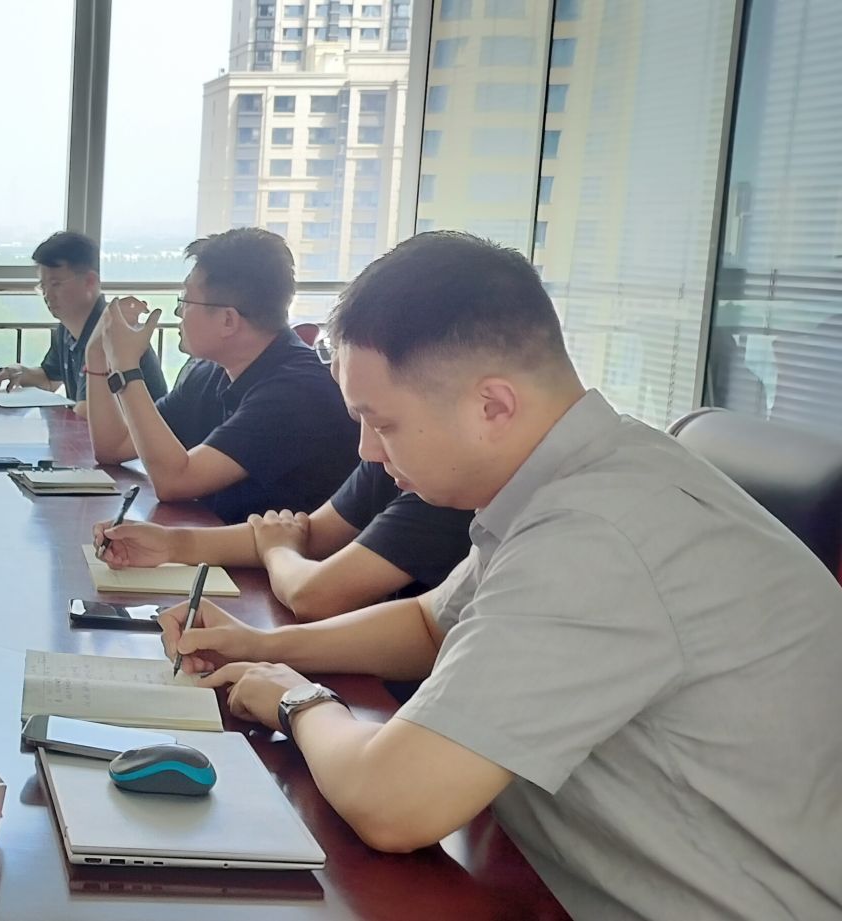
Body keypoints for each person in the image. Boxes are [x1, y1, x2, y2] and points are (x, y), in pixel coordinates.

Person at [161, 231, 842, 921]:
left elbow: (393, 802)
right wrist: (262, 645)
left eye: (380, 422)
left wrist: (297, 699)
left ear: (493, 405)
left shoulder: (598, 533)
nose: (367, 450)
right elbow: (432, 624)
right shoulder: (583, 476)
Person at [85, 228, 358, 523]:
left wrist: (127, 367)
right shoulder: (208, 373)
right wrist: (96, 354)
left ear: (228, 320)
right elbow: (114, 447)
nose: (178, 313)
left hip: (281, 552)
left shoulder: (297, 391)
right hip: (217, 540)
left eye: (186, 301)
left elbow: (174, 482)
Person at [94, 459, 472, 621]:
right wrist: (171, 545)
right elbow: (313, 534)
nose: (364, 449)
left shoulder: (447, 487)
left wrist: (277, 550)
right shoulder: (386, 457)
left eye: (383, 422)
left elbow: (314, 595)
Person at [0, 230, 166, 404]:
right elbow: (49, 379)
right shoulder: (66, 329)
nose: (47, 295)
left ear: (90, 281)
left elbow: (87, 411)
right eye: (43, 286)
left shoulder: (112, 330)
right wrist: (20, 372)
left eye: (55, 284)